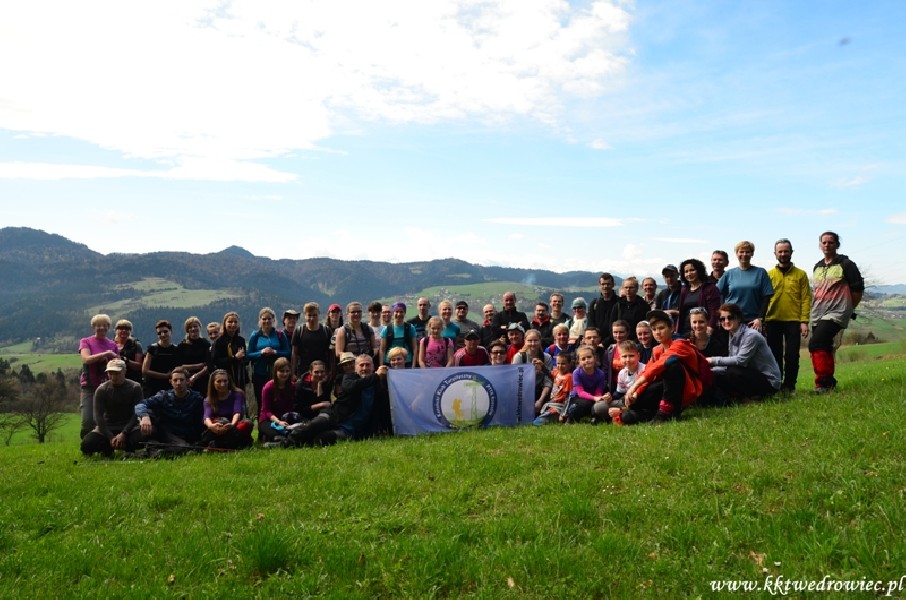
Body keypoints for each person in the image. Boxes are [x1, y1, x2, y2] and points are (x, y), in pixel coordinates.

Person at [621, 310, 705, 424]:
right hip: (662, 390)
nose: (657, 332)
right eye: (654, 329)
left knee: (672, 366)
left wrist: (635, 385)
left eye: (661, 328)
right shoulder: (656, 350)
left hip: (683, 391)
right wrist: (636, 393)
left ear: (671, 328)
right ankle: (647, 412)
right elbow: (648, 372)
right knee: (629, 409)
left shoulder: (681, 344)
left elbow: (660, 365)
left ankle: (666, 412)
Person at [287, 355, 389, 447]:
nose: (365, 368)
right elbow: (351, 387)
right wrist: (375, 375)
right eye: (361, 365)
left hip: (350, 430)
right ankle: (286, 442)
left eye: (368, 365)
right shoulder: (349, 377)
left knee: (321, 439)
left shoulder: (378, 386)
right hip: (334, 416)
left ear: (373, 366)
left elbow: (386, 409)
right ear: (356, 367)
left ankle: (301, 442)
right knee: (315, 425)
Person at [809, 231, 864, 393]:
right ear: (820, 245)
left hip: (837, 312)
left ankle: (822, 383)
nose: (827, 245)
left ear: (837, 245)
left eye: (831, 242)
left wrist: (848, 309)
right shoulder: (817, 266)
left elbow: (857, 290)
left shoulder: (847, 264)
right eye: (824, 242)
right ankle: (828, 383)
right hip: (818, 313)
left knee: (816, 344)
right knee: (824, 347)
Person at [708, 303, 781, 402]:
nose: (726, 321)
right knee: (717, 375)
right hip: (750, 374)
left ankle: (755, 396)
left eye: (730, 317)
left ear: (738, 318)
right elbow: (730, 363)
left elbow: (740, 360)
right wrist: (710, 370)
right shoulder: (732, 334)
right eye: (722, 319)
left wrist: (712, 360)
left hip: (769, 382)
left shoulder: (751, 335)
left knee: (732, 372)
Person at [766, 238, 812, 393]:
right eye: (780, 251)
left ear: (791, 252)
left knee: (792, 356)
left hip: (794, 321)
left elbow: (805, 298)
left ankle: (790, 386)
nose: (783, 254)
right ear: (775, 253)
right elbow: (763, 298)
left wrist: (804, 321)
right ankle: (776, 385)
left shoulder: (801, 274)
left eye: (786, 251)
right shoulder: (768, 275)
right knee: (774, 355)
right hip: (772, 320)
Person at [80, 359, 142, 457]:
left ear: (124, 372)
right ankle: (109, 447)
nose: (113, 377)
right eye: (110, 373)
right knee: (87, 444)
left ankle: (126, 447)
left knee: (144, 437)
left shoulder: (135, 387)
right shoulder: (102, 389)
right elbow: (98, 416)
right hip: (108, 427)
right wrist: (110, 437)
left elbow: (137, 413)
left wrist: (124, 433)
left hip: (129, 427)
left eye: (117, 374)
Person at [135, 367, 205, 450]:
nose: (178, 383)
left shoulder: (197, 398)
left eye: (181, 380)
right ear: (171, 382)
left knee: (182, 447)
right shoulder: (164, 396)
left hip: (186, 434)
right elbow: (141, 404)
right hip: (165, 432)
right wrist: (144, 416)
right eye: (175, 380)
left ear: (187, 381)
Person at [716, 241, 774, 334]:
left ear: (752, 254)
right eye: (741, 252)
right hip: (731, 320)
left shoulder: (761, 272)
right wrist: (721, 315)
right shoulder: (729, 274)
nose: (744, 254)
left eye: (747, 252)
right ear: (736, 253)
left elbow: (766, 298)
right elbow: (716, 294)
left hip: (753, 322)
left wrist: (760, 318)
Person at [78, 314, 119, 438]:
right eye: (98, 325)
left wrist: (114, 358)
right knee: (87, 421)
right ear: (93, 327)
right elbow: (86, 359)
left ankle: (103, 445)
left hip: (107, 386)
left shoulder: (113, 345)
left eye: (104, 325)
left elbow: (118, 363)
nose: (101, 328)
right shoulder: (86, 341)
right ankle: (86, 445)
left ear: (108, 327)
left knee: (102, 420)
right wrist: (105, 354)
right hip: (89, 386)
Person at [247, 307, 292, 416]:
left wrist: (275, 352)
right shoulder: (255, 335)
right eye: (264, 319)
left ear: (273, 320)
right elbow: (248, 355)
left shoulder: (280, 334)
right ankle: (262, 422)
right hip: (259, 373)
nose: (266, 321)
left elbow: (287, 352)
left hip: (277, 374)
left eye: (269, 319)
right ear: (260, 320)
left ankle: (279, 420)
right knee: (261, 400)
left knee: (278, 399)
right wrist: (261, 352)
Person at [595, 339, 646, 422]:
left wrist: (622, 409)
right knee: (597, 407)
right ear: (620, 358)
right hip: (626, 401)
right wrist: (610, 397)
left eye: (631, 356)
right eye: (624, 356)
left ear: (638, 356)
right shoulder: (622, 373)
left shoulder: (644, 369)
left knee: (627, 414)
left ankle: (621, 413)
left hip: (641, 403)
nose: (628, 359)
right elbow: (619, 393)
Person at [202, 368, 253, 449]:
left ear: (229, 382)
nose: (222, 384)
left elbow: (237, 412)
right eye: (219, 381)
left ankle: (219, 444)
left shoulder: (237, 394)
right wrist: (212, 426)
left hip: (234, 426)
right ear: (213, 383)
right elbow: (207, 418)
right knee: (220, 422)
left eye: (225, 381)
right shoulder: (208, 400)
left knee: (247, 424)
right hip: (218, 427)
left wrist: (232, 424)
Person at [563, 345, 610, 423]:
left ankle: (595, 417)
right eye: (583, 359)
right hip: (577, 397)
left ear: (594, 358)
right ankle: (570, 417)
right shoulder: (577, 373)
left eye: (589, 357)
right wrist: (594, 398)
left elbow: (598, 392)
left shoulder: (600, 374)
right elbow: (580, 392)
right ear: (579, 361)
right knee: (585, 404)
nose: (587, 360)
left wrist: (599, 398)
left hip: (593, 397)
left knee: (599, 404)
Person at [512, 329, 553, 414]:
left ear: (540, 341)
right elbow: (516, 381)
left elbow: (548, 381)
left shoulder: (547, 358)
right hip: (522, 392)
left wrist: (540, 401)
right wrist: (531, 373)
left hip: (541, 392)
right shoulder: (519, 357)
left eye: (535, 340)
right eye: (530, 341)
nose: (533, 343)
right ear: (525, 341)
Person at [258, 357, 299, 442]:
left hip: (285, 419)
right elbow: (266, 410)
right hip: (268, 420)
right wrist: (278, 421)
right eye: (282, 371)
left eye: (287, 371)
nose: (285, 374)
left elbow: (291, 407)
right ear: (276, 372)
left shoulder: (292, 387)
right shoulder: (268, 387)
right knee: (278, 435)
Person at [677, 259, 721, 335]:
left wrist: (711, 326)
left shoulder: (710, 288)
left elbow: (714, 311)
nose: (689, 274)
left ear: (699, 271)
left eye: (692, 270)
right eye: (686, 271)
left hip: (703, 330)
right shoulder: (684, 290)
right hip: (685, 330)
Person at [211, 311, 249, 398]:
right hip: (224, 378)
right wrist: (234, 358)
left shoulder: (241, 340)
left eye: (235, 322)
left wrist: (243, 358)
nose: (233, 324)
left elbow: (245, 358)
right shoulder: (219, 341)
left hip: (239, 377)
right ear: (224, 323)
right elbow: (215, 360)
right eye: (230, 322)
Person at [292, 302, 334, 379]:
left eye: (314, 315)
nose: (312, 318)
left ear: (319, 314)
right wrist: (292, 372)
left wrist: (331, 370)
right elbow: (294, 353)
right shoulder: (299, 331)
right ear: (305, 315)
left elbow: (331, 353)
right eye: (309, 315)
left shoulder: (326, 331)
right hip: (304, 371)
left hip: (323, 372)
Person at [142, 319, 182, 398]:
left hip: (170, 387)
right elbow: (145, 370)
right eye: (159, 333)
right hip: (152, 387)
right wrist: (165, 376)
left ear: (171, 332)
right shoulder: (152, 349)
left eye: (165, 331)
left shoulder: (176, 349)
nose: (162, 335)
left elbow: (180, 368)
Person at [533, 352, 574, 425]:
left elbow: (568, 398)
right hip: (551, 404)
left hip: (559, 407)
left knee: (537, 422)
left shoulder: (568, 377)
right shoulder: (556, 372)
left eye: (563, 364)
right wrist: (542, 365)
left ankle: (562, 418)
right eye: (558, 363)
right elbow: (549, 373)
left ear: (569, 364)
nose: (560, 366)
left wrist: (563, 414)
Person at [178, 316, 211, 395]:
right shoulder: (182, 346)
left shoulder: (205, 344)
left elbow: (208, 365)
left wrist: (195, 377)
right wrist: (199, 366)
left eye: (195, 326)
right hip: (186, 380)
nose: (193, 329)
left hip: (202, 379)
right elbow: (179, 366)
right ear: (187, 330)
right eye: (190, 327)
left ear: (200, 327)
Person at [380, 302, 416, 367]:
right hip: (390, 363)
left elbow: (414, 348)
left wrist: (413, 365)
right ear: (392, 313)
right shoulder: (386, 329)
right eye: (396, 312)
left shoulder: (410, 328)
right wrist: (381, 365)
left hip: (407, 362)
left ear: (404, 313)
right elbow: (382, 350)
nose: (399, 314)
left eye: (401, 312)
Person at [113, 319, 144, 385]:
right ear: (116, 330)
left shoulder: (136, 345)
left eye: (127, 328)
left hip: (132, 381)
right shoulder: (111, 344)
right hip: (114, 380)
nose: (124, 330)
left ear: (130, 331)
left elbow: (139, 366)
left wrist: (126, 360)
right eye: (121, 328)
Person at [590, 273, 618, 343]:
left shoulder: (619, 303)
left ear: (613, 285)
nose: (605, 286)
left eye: (608, 284)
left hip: (615, 341)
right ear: (599, 285)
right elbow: (591, 325)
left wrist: (605, 342)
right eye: (603, 284)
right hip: (597, 342)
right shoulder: (594, 304)